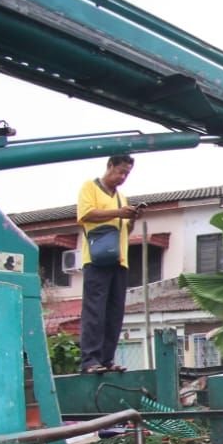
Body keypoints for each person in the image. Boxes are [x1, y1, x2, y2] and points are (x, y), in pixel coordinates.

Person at [77, 154, 140, 373]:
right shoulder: (90, 187)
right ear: (109, 166)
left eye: (127, 173)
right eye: (120, 171)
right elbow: (86, 214)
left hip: (119, 260)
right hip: (96, 260)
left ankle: (106, 359)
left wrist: (130, 219)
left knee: (114, 312)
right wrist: (117, 213)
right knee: (95, 310)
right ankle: (89, 360)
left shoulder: (122, 198)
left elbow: (125, 230)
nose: (123, 177)